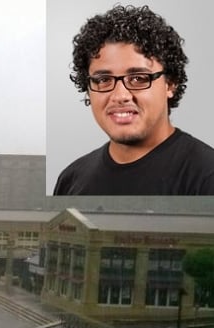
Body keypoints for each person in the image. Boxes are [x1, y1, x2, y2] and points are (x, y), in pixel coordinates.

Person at [53, 5, 214, 195]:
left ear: (170, 84)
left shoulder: (206, 175)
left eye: (138, 78)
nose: (120, 96)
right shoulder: (71, 179)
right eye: (103, 80)